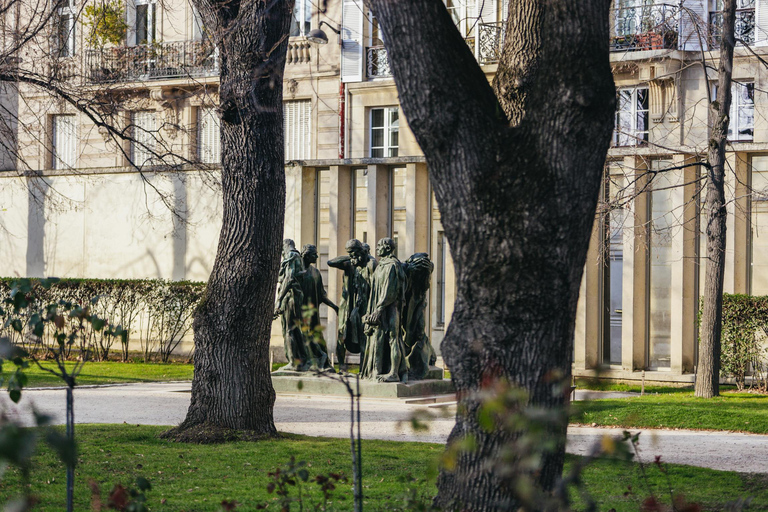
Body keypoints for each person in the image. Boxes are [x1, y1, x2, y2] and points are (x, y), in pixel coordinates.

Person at [361, 237, 407, 383]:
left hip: (391, 308)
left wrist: (378, 310)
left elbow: (389, 291)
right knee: (379, 338)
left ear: (387, 248)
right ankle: (377, 370)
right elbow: (374, 291)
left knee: (393, 338)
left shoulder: (392, 265)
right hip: (379, 308)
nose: (377, 249)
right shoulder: (381, 265)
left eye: (379, 246)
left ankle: (394, 373)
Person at [328, 239, 376, 371]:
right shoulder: (349, 264)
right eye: (351, 254)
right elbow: (330, 262)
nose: (354, 257)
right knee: (342, 335)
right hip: (347, 306)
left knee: (364, 337)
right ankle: (342, 367)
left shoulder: (369, 266)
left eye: (355, 254)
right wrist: (351, 256)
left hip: (363, 307)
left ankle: (364, 368)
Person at [300, 244, 338, 371]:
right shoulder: (297, 272)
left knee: (317, 338)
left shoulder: (316, 273)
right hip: (300, 313)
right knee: (304, 338)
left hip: (313, 314)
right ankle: (307, 363)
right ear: (306, 255)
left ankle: (322, 361)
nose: (317, 256)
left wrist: (334, 307)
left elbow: (322, 295)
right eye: (314, 254)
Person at [274, 239, 309, 371]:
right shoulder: (298, 257)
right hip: (296, 295)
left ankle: (293, 362)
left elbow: (288, 278)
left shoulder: (290, 256)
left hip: (290, 296)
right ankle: (302, 359)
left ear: (285, 246)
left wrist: (279, 300)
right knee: (294, 328)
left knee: (288, 330)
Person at [402, 253, 436, 380]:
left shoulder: (426, 270)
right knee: (409, 331)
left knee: (419, 330)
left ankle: (424, 358)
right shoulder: (405, 269)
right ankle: (406, 359)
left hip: (418, 302)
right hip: (407, 304)